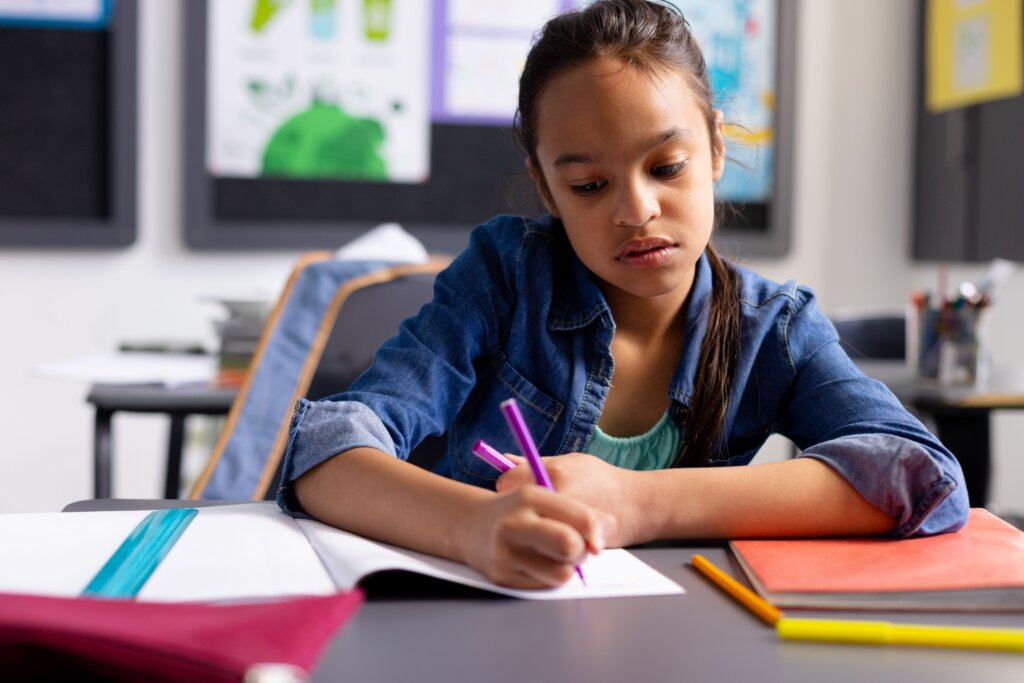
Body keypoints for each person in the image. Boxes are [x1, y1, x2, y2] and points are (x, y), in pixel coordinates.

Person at [280, 0, 968, 588]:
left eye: (666, 166)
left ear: (717, 148)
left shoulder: (773, 329)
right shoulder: (503, 278)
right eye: (588, 185)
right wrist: (474, 528)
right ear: (546, 187)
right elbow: (327, 450)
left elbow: (918, 475)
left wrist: (638, 503)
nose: (636, 209)